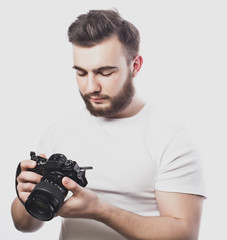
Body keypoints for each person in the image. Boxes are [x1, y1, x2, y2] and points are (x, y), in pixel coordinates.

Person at [11, 9, 206, 240]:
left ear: (135, 65)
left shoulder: (170, 139)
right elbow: (24, 226)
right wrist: (25, 196)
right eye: (81, 73)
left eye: (104, 72)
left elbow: (185, 234)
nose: (91, 86)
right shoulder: (60, 130)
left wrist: (101, 211)